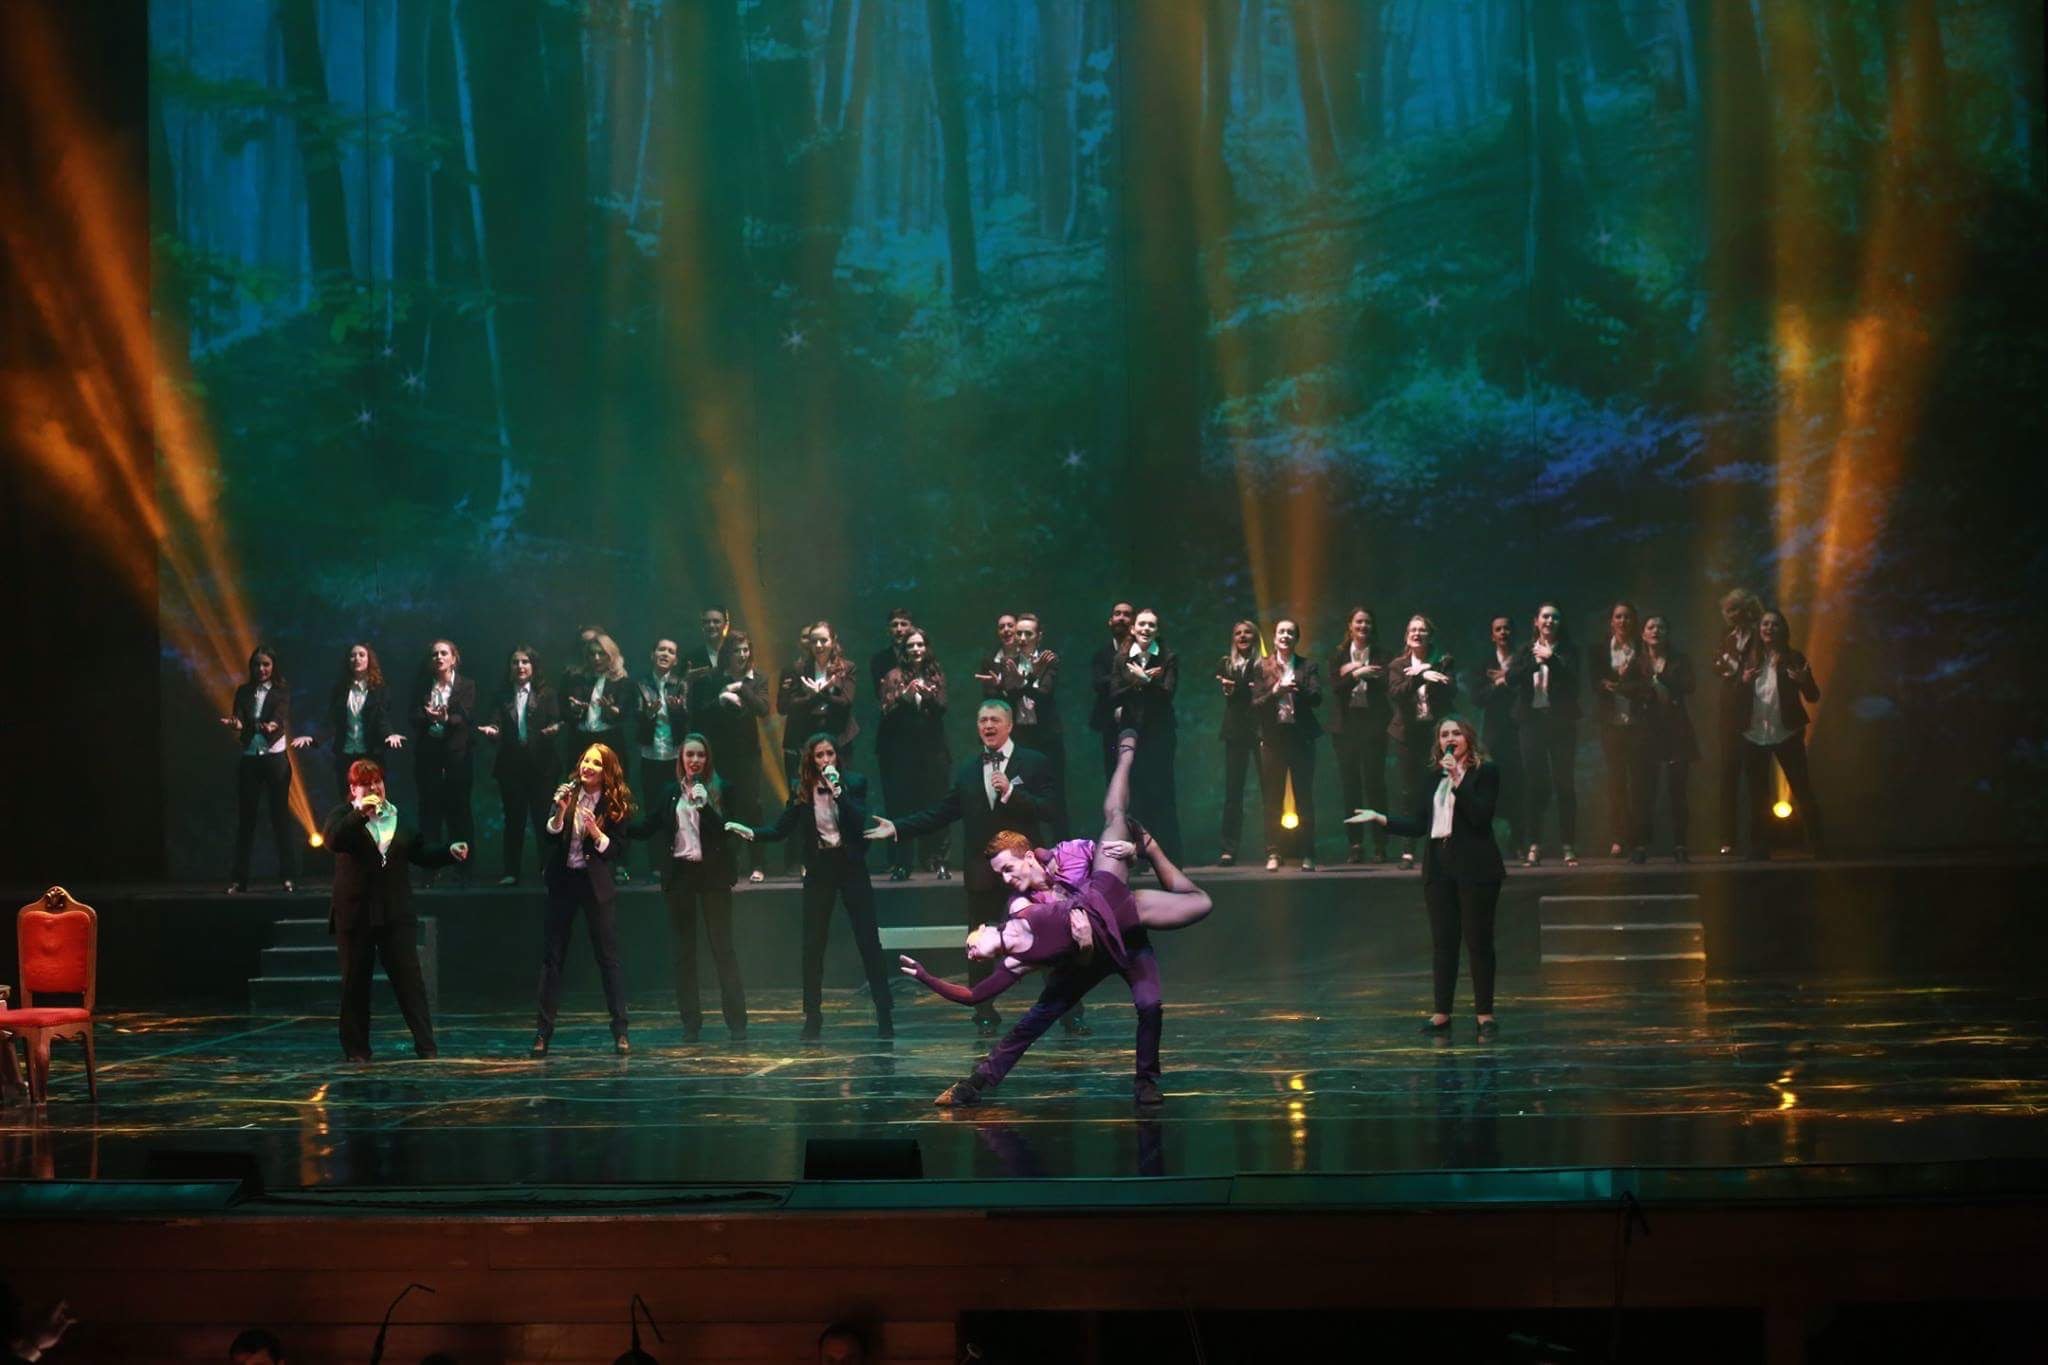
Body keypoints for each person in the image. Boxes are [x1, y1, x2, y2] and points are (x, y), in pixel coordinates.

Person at [899, 729, 1213, 1107]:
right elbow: (1028, 950)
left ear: (1029, 856)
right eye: (1000, 874)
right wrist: (1082, 948)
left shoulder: (1070, 854)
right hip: (1080, 957)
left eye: (1008, 869)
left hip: (1123, 931)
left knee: (1149, 1004)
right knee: (1038, 1016)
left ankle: (1146, 1081)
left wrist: (1135, 850)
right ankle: (975, 1084)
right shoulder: (1020, 906)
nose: (1005, 879)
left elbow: (1108, 868)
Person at [865, 699, 1061, 1036]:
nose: (988, 726)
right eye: (982, 720)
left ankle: (1067, 1011)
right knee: (979, 942)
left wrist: (1012, 793)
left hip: (1025, 874)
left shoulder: (1034, 762)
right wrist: (898, 828)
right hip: (983, 874)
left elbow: (1050, 809)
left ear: (1009, 725)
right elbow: (941, 813)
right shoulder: (969, 770)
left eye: (995, 720)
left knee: (1046, 939)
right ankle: (983, 1012)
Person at [1349, 715, 1504, 1039]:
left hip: (1476, 866)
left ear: (1468, 739)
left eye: (1456, 733)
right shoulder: (1434, 777)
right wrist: (1380, 818)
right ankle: (1441, 1013)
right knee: (1444, 944)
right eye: (1444, 734)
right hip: (1439, 866)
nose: (1450, 739)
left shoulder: (1485, 772)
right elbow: (1419, 824)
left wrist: (1458, 777)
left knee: (1478, 942)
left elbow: (1481, 816)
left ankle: (1484, 1015)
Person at [732, 734, 894, 1040]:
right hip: (820, 869)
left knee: (868, 940)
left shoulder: (854, 782)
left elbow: (859, 821)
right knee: (813, 944)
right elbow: (781, 829)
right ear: (811, 759)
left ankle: (884, 1012)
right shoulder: (802, 789)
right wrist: (752, 833)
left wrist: (839, 793)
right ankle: (812, 1016)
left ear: (837, 756)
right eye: (819, 755)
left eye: (829, 753)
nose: (825, 760)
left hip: (850, 866)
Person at [321, 759, 466, 1061]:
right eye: (366, 784)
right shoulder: (343, 816)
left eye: (378, 782)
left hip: (395, 912)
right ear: (353, 789)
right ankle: (357, 1050)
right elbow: (333, 841)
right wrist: (360, 813)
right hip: (356, 913)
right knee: (355, 983)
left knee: (409, 981)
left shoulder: (398, 816)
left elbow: (420, 852)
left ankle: (426, 1046)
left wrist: (448, 853)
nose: (374, 788)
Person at [631, 734, 746, 1042]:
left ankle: (737, 1023)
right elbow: (647, 826)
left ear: (708, 759)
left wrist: (705, 806)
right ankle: (691, 1024)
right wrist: (612, 823)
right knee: (684, 953)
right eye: (690, 755)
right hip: (681, 875)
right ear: (681, 758)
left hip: (713, 876)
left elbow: (726, 833)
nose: (695, 760)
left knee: (722, 948)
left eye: (701, 755)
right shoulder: (670, 793)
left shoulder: (723, 789)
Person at [532, 743, 636, 1056]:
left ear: (607, 771)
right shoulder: (568, 793)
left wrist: (595, 832)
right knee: (552, 958)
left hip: (595, 885)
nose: (588, 767)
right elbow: (550, 835)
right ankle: (542, 1033)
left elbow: (616, 850)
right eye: (585, 761)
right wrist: (560, 811)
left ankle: (621, 1031)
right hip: (564, 881)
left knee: (608, 958)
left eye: (596, 763)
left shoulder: (615, 803)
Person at [1741, 609, 1826, 859]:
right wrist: (1743, 681)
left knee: (1801, 789)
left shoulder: (1793, 657)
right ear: (1759, 629)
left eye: (1774, 624)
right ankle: (1760, 847)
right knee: (1758, 796)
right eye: (1765, 624)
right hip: (1754, 734)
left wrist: (1803, 680)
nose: (1769, 628)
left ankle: (1818, 844)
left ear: (1783, 630)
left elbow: (1813, 696)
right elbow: (1734, 696)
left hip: (1787, 732)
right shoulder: (1748, 657)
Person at [476, 644, 563, 886]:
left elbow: (557, 720)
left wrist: (554, 729)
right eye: (515, 662)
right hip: (511, 767)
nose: (520, 666)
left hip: (542, 766)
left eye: (525, 661)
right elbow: (494, 722)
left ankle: (549, 868)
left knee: (544, 819)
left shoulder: (547, 693)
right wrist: (492, 731)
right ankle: (511, 871)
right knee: (514, 821)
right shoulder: (501, 695)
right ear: (509, 667)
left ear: (533, 666)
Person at [220, 644, 299, 894]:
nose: (261, 669)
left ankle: (288, 877)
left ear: (273, 666)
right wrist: (235, 723)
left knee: (280, 818)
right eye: (257, 665)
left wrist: (272, 725)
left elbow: (279, 715)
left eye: (266, 664)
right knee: (246, 821)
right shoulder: (243, 691)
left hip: (275, 758)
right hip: (250, 758)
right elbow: (239, 718)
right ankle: (239, 880)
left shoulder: (281, 691)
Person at [695, 630, 772, 883]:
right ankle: (729, 862)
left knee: (753, 806)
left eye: (745, 650)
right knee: (726, 806)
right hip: (722, 753)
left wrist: (741, 688)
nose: (742, 655)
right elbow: (701, 714)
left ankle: (758, 863)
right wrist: (721, 698)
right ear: (727, 653)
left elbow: (763, 709)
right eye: (737, 650)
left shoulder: (757, 678)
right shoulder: (715, 678)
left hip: (749, 753)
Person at [1508, 602, 1580, 867]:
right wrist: (1534, 663)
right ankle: (1534, 845)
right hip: (1532, 723)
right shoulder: (1525, 650)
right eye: (1545, 617)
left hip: (1561, 724)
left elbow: (1574, 683)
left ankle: (1568, 846)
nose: (1550, 621)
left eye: (1555, 617)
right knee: (1534, 785)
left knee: (1564, 784)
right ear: (1536, 621)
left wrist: (1552, 660)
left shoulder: (1569, 651)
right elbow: (1511, 678)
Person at [876, 629, 951, 880]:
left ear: (926, 647)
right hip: (903, 753)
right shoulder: (893, 676)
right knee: (903, 808)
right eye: (911, 646)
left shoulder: (936, 674)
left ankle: (938, 860)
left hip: (933, 752)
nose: (916, 649)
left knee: (937, 805)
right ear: (905, 651)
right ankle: (903, 863)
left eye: (920, 644)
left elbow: (943, 708)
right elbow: (886, 714)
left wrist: (929, 698)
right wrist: (905, 698)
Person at [1110, 607, 1181, 860]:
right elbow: (1113, 694)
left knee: (1162, 792)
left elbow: (1168, 693)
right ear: (1133, 628)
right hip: (1132, 733)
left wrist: (1148, 681)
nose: (1146, 629)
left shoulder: (1168, 657)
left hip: (1160, 733)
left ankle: (1170, 856)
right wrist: (1138, 681)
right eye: (1142, 624)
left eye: (1151, 625)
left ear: (1157, 630)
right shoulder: (1121, 658)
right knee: (1136, 795)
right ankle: (1139, 856)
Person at [1387, 614, 1457, 870]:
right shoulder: (1398, 665)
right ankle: (1408, 850)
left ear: (1430, 635)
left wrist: (1435, 675)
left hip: (1435, 734)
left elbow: (1452, 691)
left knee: (1441, 789)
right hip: (1407, 735)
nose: (1417, 633)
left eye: (1422, 630)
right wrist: (1421, 676)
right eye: (1412, 630)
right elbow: (1396, 694)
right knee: (1409, 791)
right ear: (1407, 636)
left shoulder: (1444, 661)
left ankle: (1440, 847)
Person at [293, 642, 404, 802]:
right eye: (353, 655)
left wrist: (390, 735)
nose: (356, 658)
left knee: (372, 802)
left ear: (369, 660)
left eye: (361, 655)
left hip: (371, 754)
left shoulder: (380, 689)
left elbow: (381, 719)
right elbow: (331, 721)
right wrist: (313, 738)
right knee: (348, 802)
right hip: (345, 755)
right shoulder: (340, 689)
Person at [1251, 618, 1321, 871]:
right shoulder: (1262, 666)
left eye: (1290, 632)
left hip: (1300, 738)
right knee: (1272, 799)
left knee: (1304, 798)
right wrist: (1276, 692)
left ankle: (1308, 854)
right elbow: (1255, 704)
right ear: (1274, 637)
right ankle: (1273, 852)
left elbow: (1317, 698)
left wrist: (1296, 686)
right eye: (1281, 631)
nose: (1285, 636)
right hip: (1273, 740)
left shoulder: (1307, 666)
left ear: (1296, 638)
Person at [410, 639, 477, 885]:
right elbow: (412, 715)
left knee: (459, 813)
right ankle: (431, 869)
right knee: (429, 814)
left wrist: (446, 718)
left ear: (453, 658)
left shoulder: (466, 685)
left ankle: (463, 869)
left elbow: (467, 716)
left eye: (443, 653)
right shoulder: (422, 685)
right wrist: (427, 716)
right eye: (434, 654)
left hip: (457, 758)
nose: (438, 657)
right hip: (428, 758)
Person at [1326, 607, 1390, 864]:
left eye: (1368, 622)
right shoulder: (1337, 655)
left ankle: (1380, 844)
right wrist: (1358, 674)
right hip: (1345, 726)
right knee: (1350, 786)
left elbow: (1385, 683)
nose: (1363, 626)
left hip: (1373, 725)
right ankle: (1355, 844)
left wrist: (1354, 670)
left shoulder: (1383, 654)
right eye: (1359, 622)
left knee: (1375, 784)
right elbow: (1335, 688)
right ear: (1350, 626)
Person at [1589, 600, 1651, 860]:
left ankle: (1639, 841)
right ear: (1611, 621)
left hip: (1637, 724)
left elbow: (1646, 686)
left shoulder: (1643, 649)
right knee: (1616, 784)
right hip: (1611, 724)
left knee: (1639, 784)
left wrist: (1619, 684)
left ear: (1634, 621)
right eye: (1618, 616)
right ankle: (1618, 838)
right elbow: (1595, 684)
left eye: (1627, 616)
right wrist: (1613, 684)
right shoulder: (1599, 650)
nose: (1623, 621)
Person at [999, 613, 1066, 834]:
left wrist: (1025, 681)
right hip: (1022, 738)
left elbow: (1044, 694)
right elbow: (1010, 694)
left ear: (1039, 636)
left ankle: (1062, 847)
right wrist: (1030, 679)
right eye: (1019, 633)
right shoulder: (1009, 663)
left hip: (1046, 737)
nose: (1022, 638)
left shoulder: (1049, 660)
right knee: (1020, 793)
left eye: (1028, 633)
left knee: (1054, 794)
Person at [1638, 614, 1698, 861]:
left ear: (1668, 633)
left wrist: (1662, 677)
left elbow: (1689, 685)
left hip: (1676, 732)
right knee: (1645, 792)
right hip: (1648, 733)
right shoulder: (1637, 661)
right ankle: (1641, 846)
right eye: (1651, 627)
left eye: (1661, 627)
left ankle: (1680, 845)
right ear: (1643, 634)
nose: (1656, 631)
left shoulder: (1680, 660)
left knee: (1678, 792)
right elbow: (1627, 687)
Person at [1710, 588, 1765, 857]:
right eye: (1727, 610)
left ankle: (1759, 839)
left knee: (1756, 778)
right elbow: (1715, 664)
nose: (1730, 614)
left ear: (1747, 609)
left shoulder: (1759, 635)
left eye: (1735, 609)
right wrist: (1734, 671)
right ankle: (1727, 839)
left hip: (1756, 711)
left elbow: (1757, 669)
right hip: (1729, 712)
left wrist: (1733, 669)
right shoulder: (1726, 636)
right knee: (1727, 776)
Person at [1467, 614, 1523, 856]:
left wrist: (1507, 678)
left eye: (1507, 628)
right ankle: (1486, 844)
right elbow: (1476, 698)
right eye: (1498, 629)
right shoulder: (1484, 663)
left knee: (1517, 787)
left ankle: (1519, 842)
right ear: (1492, 635)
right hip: (1493, 734)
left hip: (1519, 731)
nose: (1503, 633)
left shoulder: (1522, 660)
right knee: (1489, 787)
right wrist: (1498, 684)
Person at [634, 636, 691, 874]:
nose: (665, 654)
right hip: (650, 755)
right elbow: (634, 720)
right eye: (661, 649)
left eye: (671, 651)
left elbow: (689, 719)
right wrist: (648, 714)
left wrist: (678, 711)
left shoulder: (681, 684)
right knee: (653, 811)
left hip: (674, 755)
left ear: (675, 659)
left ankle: (678, 862)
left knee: (678, 810)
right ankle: (656, 865)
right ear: (653, 654)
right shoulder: (641, 683)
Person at [778, 620, 858, 779]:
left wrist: (820, 694)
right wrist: (813, 698)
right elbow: (788, 705)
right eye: (814, 641)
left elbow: (846, 702)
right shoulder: (799, 668)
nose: (818, 645)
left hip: (839, 737)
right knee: (810, 787)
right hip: (808, 738)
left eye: (823, 640)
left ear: (833, 640)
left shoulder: (847, 667)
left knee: (840, 787)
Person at [1214, 619, 1263, 866]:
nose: (1242, 636)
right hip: (1235, 732)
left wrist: (1240, 687)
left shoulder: (1265, 664)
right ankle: (1228, 849)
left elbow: (1258, 693)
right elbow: (1243, 692)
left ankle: (1275, 847)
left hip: (1261, 731)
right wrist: (1245, 688)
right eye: (1238, 633)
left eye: (1247, 632)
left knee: (1270, 790)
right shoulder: (1225, 663)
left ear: (1255, 637)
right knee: (1233, 793)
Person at [1087, 601, 1137, 775]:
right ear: (1110, 621)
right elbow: (1099, 684)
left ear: (1134, 622)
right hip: (1110, 725)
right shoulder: (1101, 655)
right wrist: (1132, 677)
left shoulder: (1143, 654)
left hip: (1140, 723)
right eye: (1117, 614)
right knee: (1113, 773)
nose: (1121, 618)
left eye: (1126, 614)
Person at [867, 606, 915, 696]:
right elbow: (880, 694)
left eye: (904, 624)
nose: (899, 629)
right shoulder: (878, 660)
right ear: (888, 630)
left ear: (911, 628)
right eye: (894, 625)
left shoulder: (921, 657)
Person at [971, 612, 1018, 699]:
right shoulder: (989, 661)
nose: (1006, 629)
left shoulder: (1027, 656)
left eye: (1010, 626)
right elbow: (989, 695)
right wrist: (998, 686)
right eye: (1001, 627)